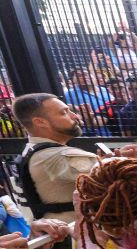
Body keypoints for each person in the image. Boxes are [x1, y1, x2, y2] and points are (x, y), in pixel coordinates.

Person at [12, 94, 98, 222]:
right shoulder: (58, 156)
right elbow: (124, 178)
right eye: (64, 113)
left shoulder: (30, 151)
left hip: (56, 233)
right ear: (40, 122)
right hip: (75, 235)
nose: (75, 116)